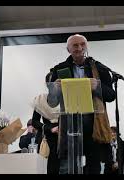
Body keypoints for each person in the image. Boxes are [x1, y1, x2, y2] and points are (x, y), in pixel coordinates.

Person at [47, 34, 115, 174]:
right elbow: (52, 102)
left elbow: (111, 96)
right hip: (69, 127)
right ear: (68, 49)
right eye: (75, 45)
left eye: (82, 44)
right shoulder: (59, 69)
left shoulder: (99, 68)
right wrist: (55, 89)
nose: (79, 48)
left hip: (94, 125)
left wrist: (97, 87)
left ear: (87, 46)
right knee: (69, 167)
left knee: (94, 166)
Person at [31, 71, 60, 174]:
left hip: (64, 140)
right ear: (47, 85)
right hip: (47, 140)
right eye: (52, 84)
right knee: (47, 169)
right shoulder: (40, 100)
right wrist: (50, 128)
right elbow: (34, 121)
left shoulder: (66, 99)